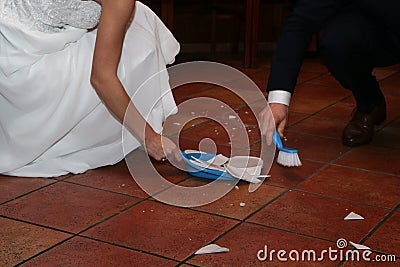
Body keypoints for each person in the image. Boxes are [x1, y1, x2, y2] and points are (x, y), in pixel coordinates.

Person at [0, 0, 182, 177]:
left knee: (141, 18)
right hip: (19, 63)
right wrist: (149, 138)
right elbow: (102, 78)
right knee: (137, 49)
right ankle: (110, 132)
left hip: (17, 38)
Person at [260, 0, 400, 147]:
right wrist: (278, 100)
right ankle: (370, 105)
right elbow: (301, 23)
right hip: (373, 31)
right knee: (338, 41)